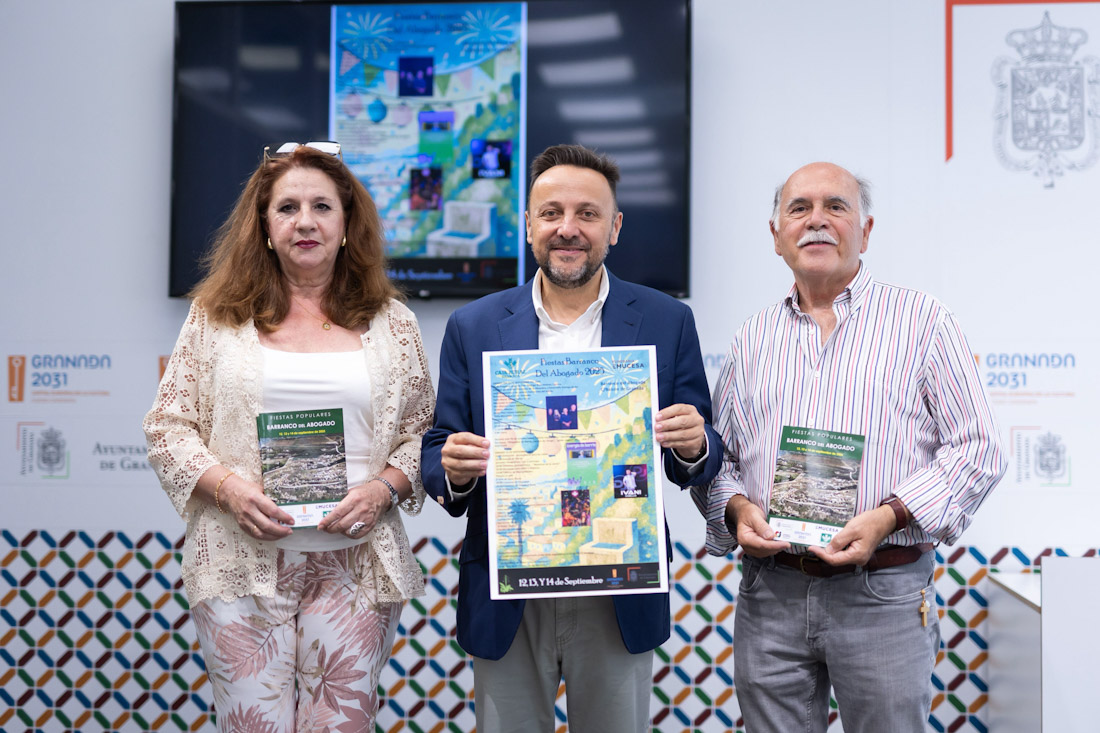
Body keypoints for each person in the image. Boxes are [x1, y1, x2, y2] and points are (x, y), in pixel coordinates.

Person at [692, 162, 1006, 732]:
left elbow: (978, 448)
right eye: (799, 208)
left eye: (835, 207)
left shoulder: (922, 322)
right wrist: (737, 511)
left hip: (883, 592)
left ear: (865, 230)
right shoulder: (751, 337)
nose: (817, 221)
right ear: (775, 235)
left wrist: (889, 516)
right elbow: (721, 459)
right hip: (771, 592)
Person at [421, 143, 722, 733]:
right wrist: (452, 467)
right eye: (551, 212)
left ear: (614, 228)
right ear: (528, 224)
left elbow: (701, 449)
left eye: (587, 214)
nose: (568, 228)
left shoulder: (666, 320)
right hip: (511, 585)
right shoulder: (474, 325)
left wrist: (693, 444)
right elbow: (437, 448)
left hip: (618, 582)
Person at [144, 142, 434, 730]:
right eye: (288, 208)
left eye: (323, 206)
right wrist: (227, 489)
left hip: (356, 566)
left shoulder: (393, 323)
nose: (306, 221)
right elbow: (167, 428)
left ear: (348, 224)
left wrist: (382, 489)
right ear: (265, 227)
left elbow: (421, 434)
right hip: (238, 563)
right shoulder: (215, 318)